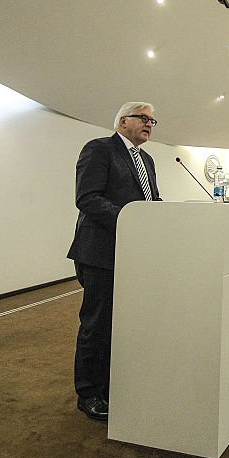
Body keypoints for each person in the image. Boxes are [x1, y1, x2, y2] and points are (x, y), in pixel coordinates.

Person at [67, 102, 162, 421]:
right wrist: (131, 222)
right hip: (100, 252)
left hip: (134, 253)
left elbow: (152, 200)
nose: (150, 124)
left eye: (153, 120)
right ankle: (89, 393)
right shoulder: (99, 149)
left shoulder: (146, 159)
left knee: (122, 322)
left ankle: (112, 383)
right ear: (124, 121)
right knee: (97, 321)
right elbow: (88, 198)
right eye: (144, 118)